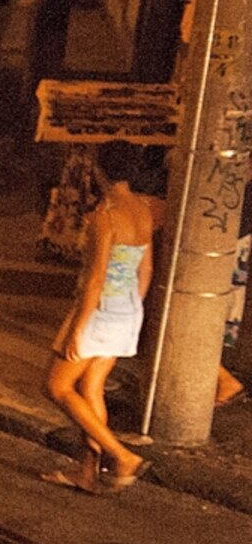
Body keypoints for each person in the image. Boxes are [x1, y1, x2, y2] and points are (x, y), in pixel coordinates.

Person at [47, 140, 164, 493]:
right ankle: (87, 471)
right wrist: (130, 308)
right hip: (127, 308)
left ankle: (121, 455)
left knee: (56, 386)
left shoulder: (105, 216)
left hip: (99, 309)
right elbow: (146, 268)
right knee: (91, 387)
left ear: (99, 171)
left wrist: (77, 329)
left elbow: (96, 278)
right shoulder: (143, 209)